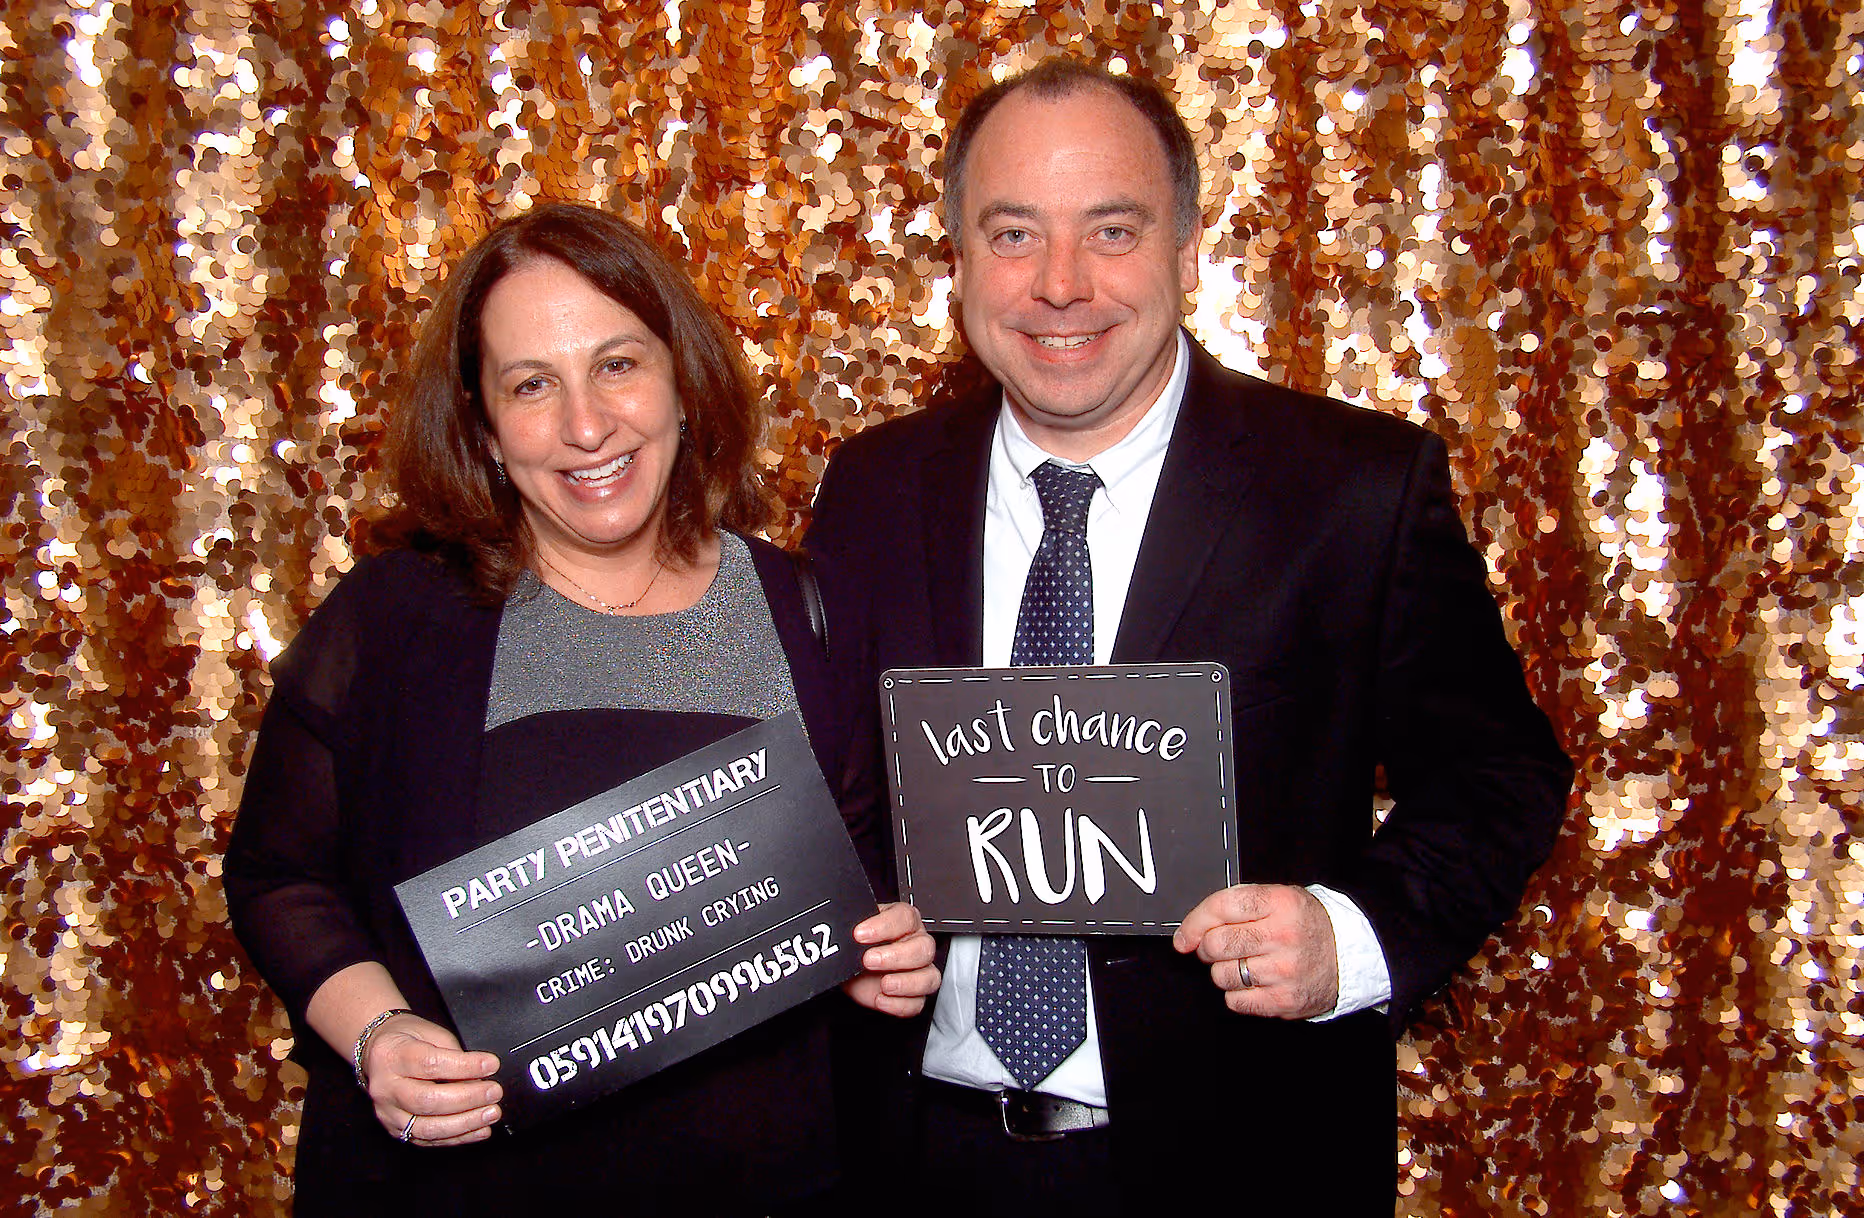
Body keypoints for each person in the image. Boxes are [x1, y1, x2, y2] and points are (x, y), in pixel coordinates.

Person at [805, 59, 1574, 1213]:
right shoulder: (872, 487)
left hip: (1236, 1163)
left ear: (1186, 250)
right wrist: (841, 927)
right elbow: (829, 788)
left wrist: (1350, 939)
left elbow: (1498, 774)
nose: (1060, 284)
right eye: (1013, 235)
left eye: (1111, 230)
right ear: (957, 260)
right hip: (915, 1162)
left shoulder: (1353, 490)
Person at [226, 202, 937, 1215]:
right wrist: (377, 1033)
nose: (586, 426)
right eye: (531, 384)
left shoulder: (808, 608)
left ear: (682, 379)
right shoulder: (395, 619)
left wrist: (873, 955)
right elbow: (279, 875)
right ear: (481, 424)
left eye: (617, 364)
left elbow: (855, 873)